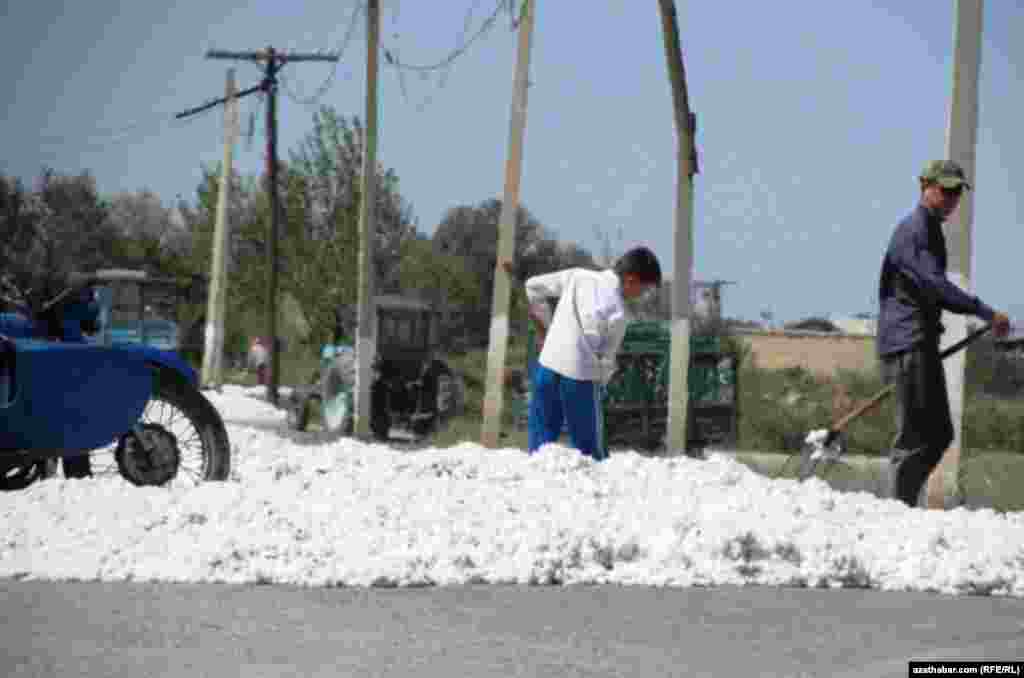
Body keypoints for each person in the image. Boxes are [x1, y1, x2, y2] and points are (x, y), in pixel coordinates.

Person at [877, 159, 1010, 507]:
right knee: (914, 436)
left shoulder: (932, 229)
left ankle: (901, 501)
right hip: (908, 342)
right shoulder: (914, 231)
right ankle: (895, 508)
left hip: (922, 342)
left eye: (957, 193)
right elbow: (935, 285)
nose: (952, 198)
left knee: (939, 434)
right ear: (925, 186)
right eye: (945, 190)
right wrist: (983, 311)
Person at [517, 246, 662, 460]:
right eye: (644, 289)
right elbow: (606, 361)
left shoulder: (578, 276)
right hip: (580, 378)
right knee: (592, 455)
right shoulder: (619, 313)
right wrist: (602, 383)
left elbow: (532, 287)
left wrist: (548, 329)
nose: (641, 295)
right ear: (631, 280)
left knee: (539, 450)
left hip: (547, 367)